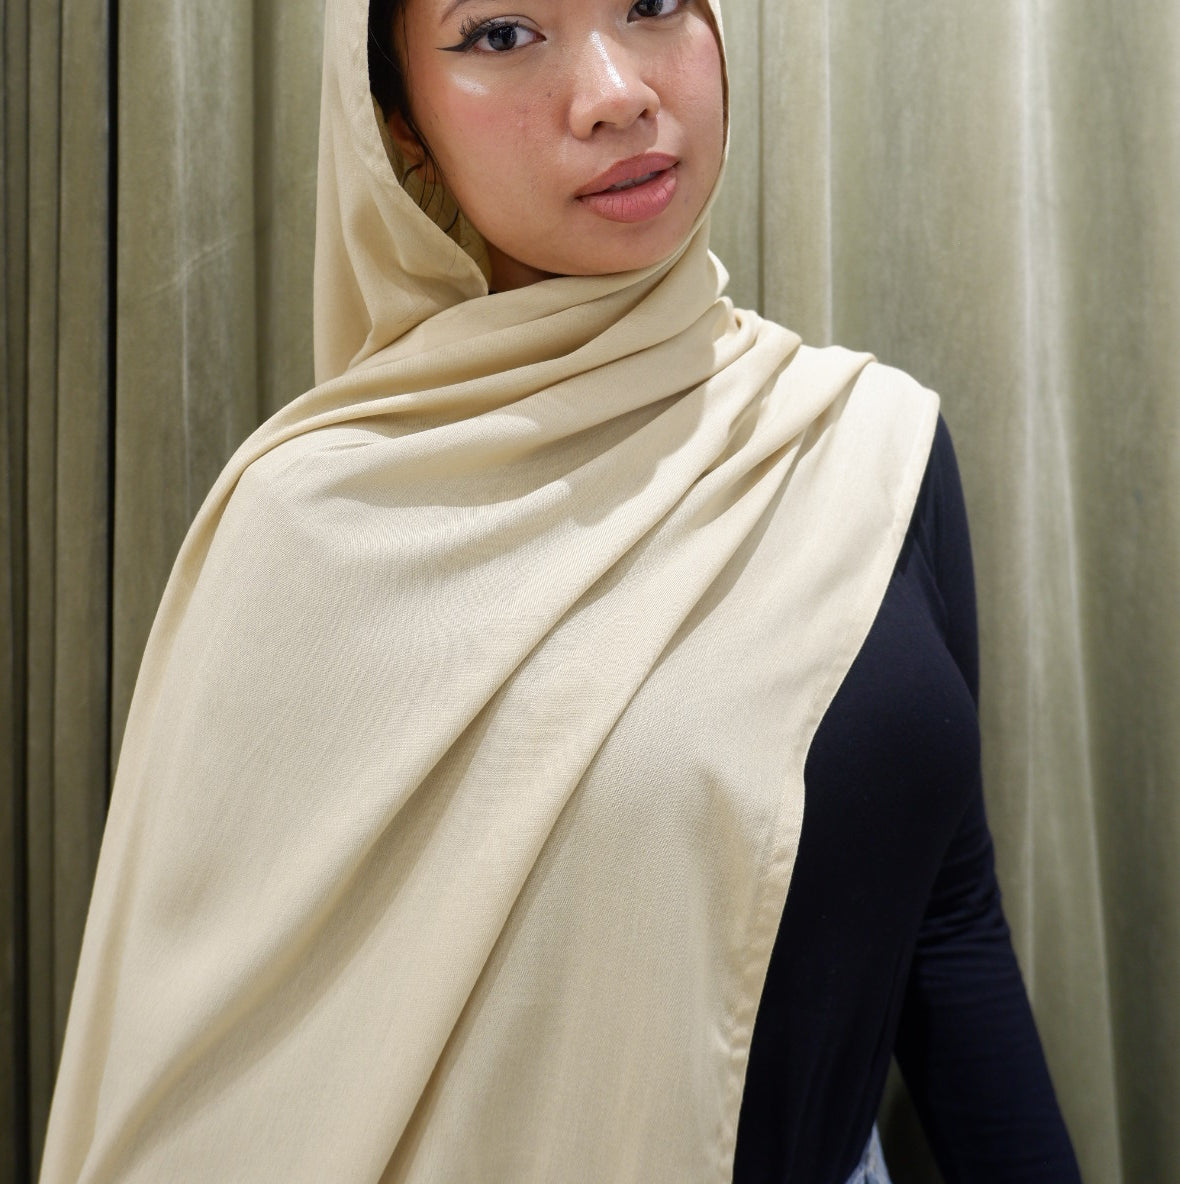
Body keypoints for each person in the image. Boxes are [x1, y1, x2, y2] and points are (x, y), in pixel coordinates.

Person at [39, 0, 1082, 1181]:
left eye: (651, 2)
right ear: (399, 125)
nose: (615, 94)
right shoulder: (307, 525)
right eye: (500, 34)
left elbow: (943, 917)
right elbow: (214, 1085)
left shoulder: (865, 446)